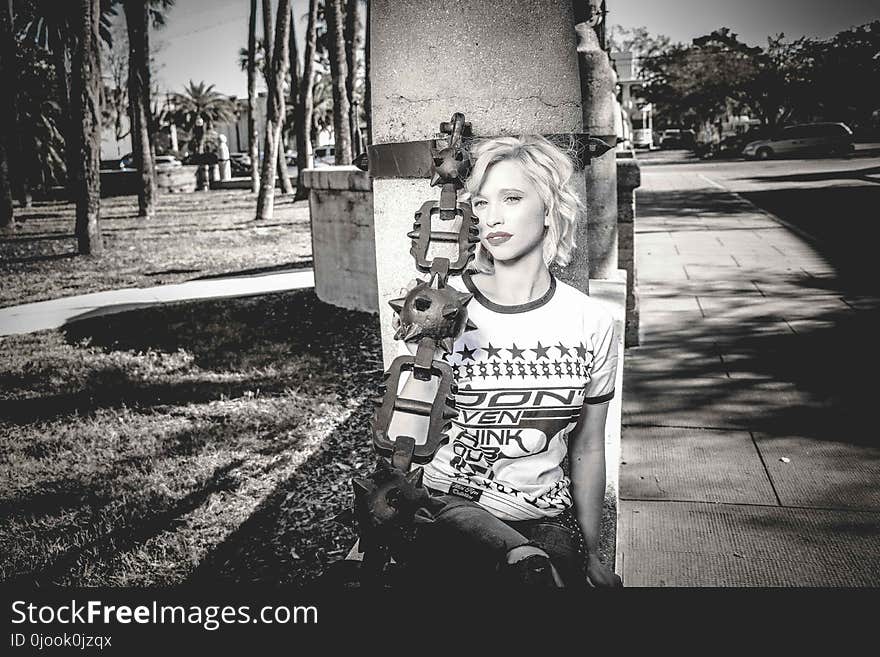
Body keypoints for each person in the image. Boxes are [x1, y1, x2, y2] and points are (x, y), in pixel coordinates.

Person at [388, 135, 622, 588]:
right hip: (445, 509)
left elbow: (589, 445)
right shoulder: (445, 311)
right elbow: (407, 436)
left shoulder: (590, 322)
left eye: (511, 198)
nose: (491, 216)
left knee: (544, 576)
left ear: (551, 207)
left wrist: (593, 554)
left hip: (542, 516)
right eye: (480, 203)